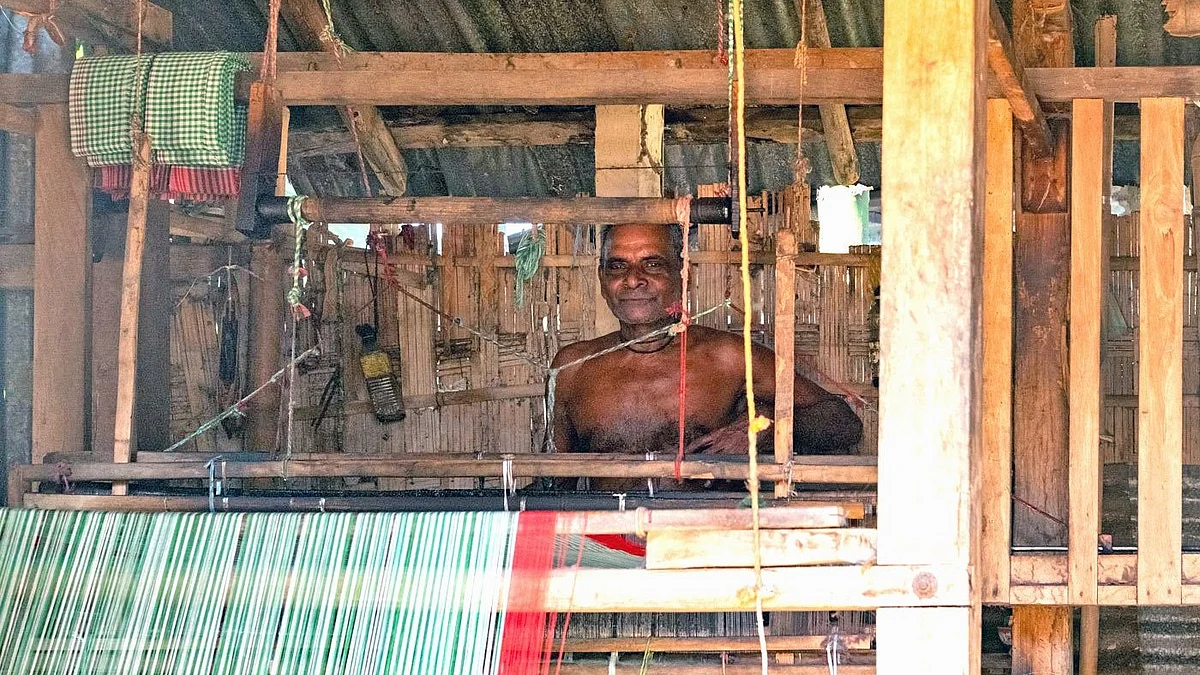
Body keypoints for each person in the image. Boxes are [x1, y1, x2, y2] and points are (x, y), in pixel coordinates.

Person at [548, 222, 863, 491]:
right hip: (605, 547)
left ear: (682, 275)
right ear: (603, 279)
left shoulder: (729, 359)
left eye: (653, 264)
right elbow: (554, 482)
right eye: (618, 265)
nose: (633, 279)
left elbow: (842, 422)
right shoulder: (572, 368)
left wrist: (762, 431)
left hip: (707, 542)